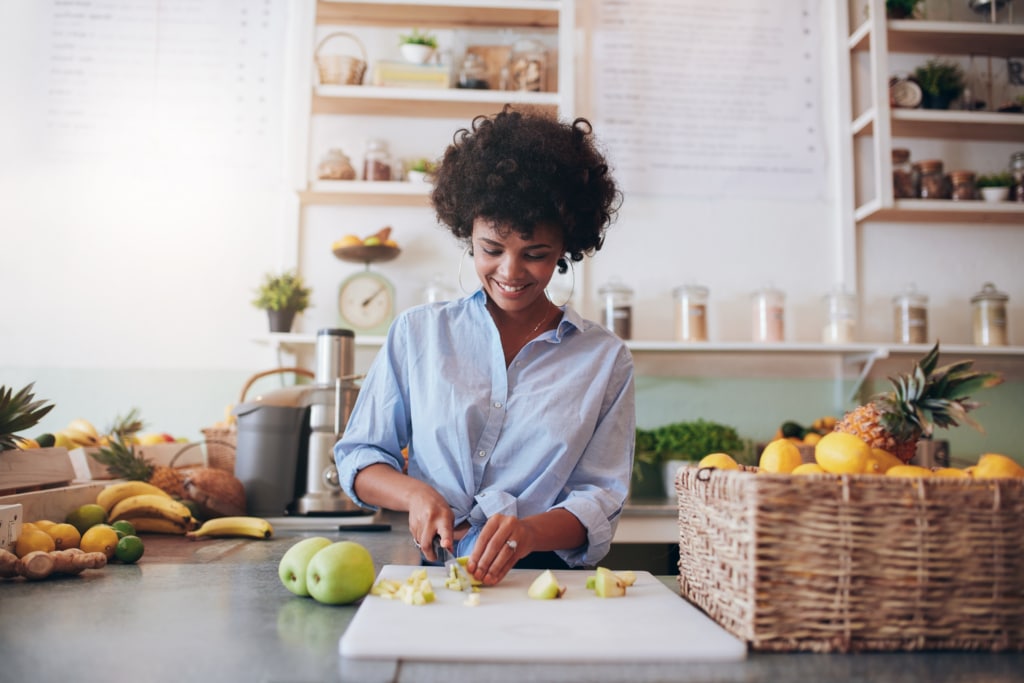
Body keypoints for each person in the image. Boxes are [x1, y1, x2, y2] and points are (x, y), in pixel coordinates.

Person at [334, 105, 634, 586]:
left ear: (565, 250)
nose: (510, 273)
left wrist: (530, 533)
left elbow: (600, 496)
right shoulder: (418, 334)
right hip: (438, 580)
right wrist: (416, 494)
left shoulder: (604, 360)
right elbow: (360, 455)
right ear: (467, 233)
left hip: (548, 583)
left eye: (535, 255)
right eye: (491, 249)